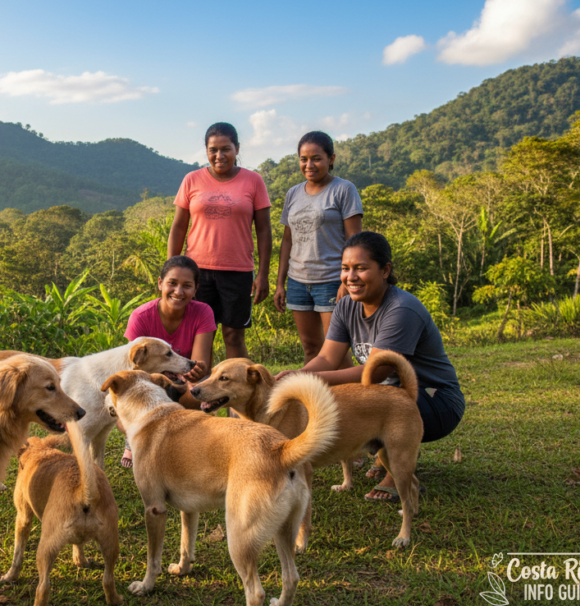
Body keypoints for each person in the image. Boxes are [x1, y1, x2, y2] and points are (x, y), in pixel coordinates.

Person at [277, 231, 465, 502]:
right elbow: (328, 357)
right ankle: (385, 451)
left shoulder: (401, 310)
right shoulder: (345, 306)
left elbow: (375, 373)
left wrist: (305, 381)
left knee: (385, 407)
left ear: (385, 270)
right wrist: (296, 375)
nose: (350, 277)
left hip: (434, 400)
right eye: (345, 269)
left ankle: (397, 467)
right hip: (387, 397)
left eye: (361, 268)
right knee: (353, 405)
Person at [168, 122, 271, 360]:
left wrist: (263, 274)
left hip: (238, 271)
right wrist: (171, 269)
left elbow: (264, 230)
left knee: (234, 335)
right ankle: (197, 391)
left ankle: (238, 392)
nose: (219, 155)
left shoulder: (253, 181)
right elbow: (179, 226)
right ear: (206, 150)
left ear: (236, 148)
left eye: (226, 149)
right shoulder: (192, 179)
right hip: (197, 272)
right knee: (200, 335)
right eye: (213, 150)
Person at [274, 131, 362, 364]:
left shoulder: (344, 190)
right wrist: (280, 283)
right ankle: (314, 400)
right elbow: (287, 241)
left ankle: (347, 401)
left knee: (337, 352)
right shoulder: (293, 193)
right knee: (311, 347)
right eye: (304, 159)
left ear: (330, 159)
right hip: (298, 281)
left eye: (316, 158)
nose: (309, 164)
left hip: (332, 280)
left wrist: (346, 281)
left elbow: (355, 241)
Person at [119, 255, 216, 467]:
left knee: (200, 391)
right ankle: (134, 439)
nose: (178, 292)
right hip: (149, 382)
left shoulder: (203, 312)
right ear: (160, 283)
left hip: (184, 380)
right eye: (172, 283)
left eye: (187, 286)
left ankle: (177, 436)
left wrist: (194, 375)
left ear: (196, 288)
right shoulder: (141, 316)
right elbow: (132, 367)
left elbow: (199, 364)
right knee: (123, 412)